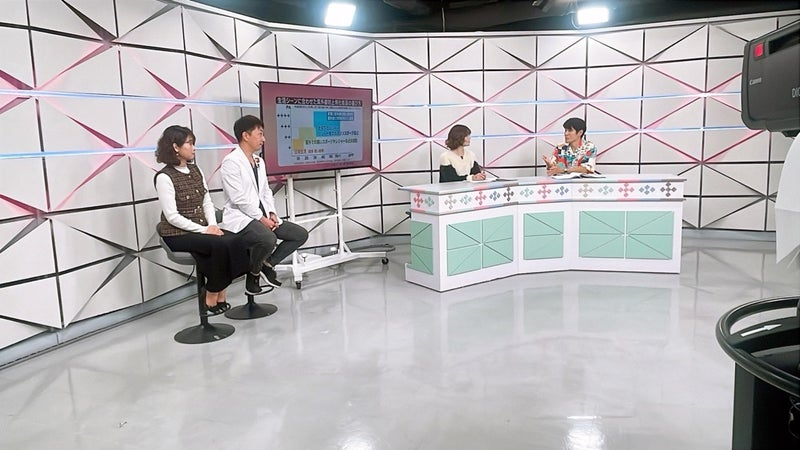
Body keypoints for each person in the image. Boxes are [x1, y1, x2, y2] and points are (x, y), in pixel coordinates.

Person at [154, 125, 245, 316]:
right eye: (189, 143)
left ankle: (221, 288)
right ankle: (211, 293)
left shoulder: (196, 170)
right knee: (217, 244)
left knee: (235, 240)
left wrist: (212, 225)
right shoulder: (164, 177)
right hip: (177, 233)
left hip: (202, 229)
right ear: (176, 147)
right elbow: (172, 217)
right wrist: (205, 230)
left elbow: (207, 201)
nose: (194, 148)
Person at [220, 115, 309, 295]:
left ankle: (267, 264)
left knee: (299, 234)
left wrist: (271, 213)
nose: (264, 139)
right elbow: (239, 199)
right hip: (242, 218)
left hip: (263, 215)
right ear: (245, 135)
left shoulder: (259, 161)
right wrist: (261, 219)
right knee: (268, 238)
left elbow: (265, 192)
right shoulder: (231, 162)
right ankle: (253, 275)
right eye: (260, 134)